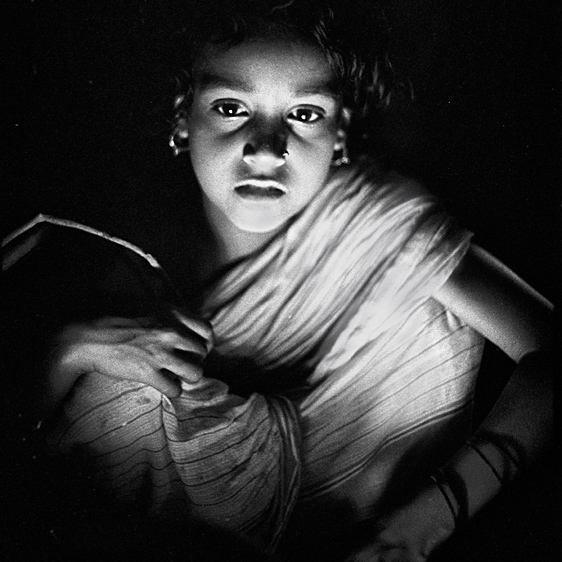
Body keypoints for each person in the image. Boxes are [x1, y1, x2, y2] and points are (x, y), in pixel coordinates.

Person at [17, 1, 553, 560]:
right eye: (230, 107)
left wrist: (421, 525)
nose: (267, 150)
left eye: (304, 114)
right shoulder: (108, 254)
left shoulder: (382, 227)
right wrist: (69, 349)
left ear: (340, 132)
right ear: (183, 117)